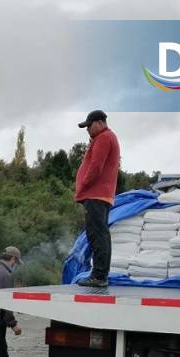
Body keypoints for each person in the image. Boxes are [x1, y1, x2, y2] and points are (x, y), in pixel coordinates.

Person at [74, 110, 120, 288]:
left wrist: (84, 184)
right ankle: (100, 274)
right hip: (100, 194)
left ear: (100, 123)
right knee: (99, 234)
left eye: (89, 125)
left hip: (95, 194)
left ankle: (99, 275)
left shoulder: (104, 138)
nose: (87, 129)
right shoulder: (106, 138)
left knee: (97, 235)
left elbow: (95, 166)